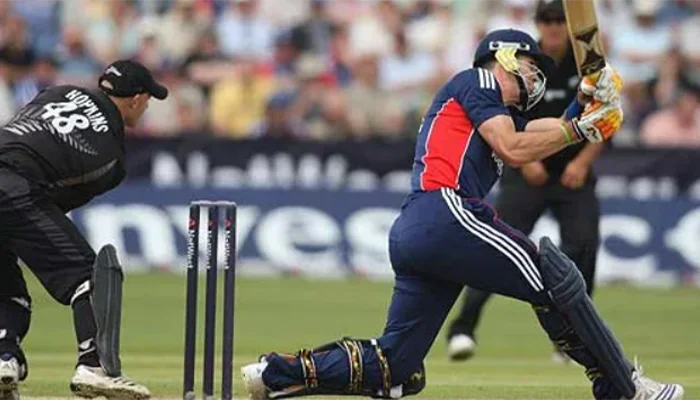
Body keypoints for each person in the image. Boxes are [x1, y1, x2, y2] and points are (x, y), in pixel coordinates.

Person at [240, 29, 684, 400]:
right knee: (556, 277)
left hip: (419, 229)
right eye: (531, 64)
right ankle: (625, 387)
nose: (536, 76)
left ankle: (275, 374)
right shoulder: (479, 81)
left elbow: (537, 133)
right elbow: (515, 149)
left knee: (397, 367)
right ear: (502, 57)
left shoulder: (492, 112)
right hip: (448, 210)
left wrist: (588, 107)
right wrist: (581, 127)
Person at [447, 0, 604, 364]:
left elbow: (602, 121)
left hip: (574, 175)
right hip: (526, 173)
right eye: (546, 20)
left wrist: (582, 162)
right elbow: (506, 124)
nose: (552, 27)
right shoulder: (522, 65)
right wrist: (523, 161)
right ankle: (462, 329)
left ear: (568, 25)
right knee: (497, 250)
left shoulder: (588, 65)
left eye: (558, 20)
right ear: (538, 24)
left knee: (582, 249)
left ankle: (575, 338)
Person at [0, 59, 168, 400]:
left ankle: (4, 358)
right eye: (148, 99)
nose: (148, 106)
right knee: (88, 276)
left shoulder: (62, 91)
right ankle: (95, 367)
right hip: (14, 187)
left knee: (9, 292)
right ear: (136, 99)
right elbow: (52, 200)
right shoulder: (111, 158)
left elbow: (21, 123)